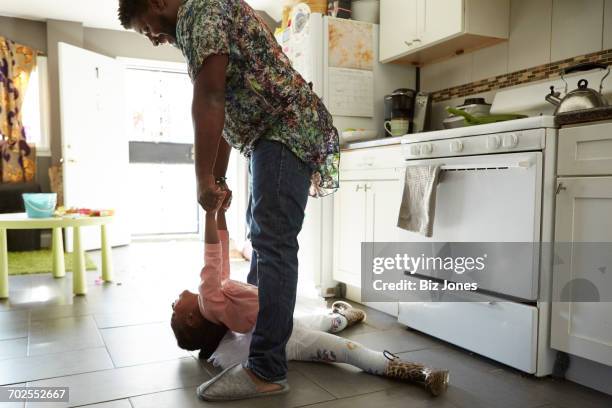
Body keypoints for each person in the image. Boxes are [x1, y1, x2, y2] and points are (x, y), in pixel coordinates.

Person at [118, 0, 340, 400]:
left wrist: (203, 179)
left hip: (283, 128)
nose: (152, 39)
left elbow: (210, 100)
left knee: (272, 243)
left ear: (157, 3)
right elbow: (222, 110)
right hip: (271, 133)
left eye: (146, 28)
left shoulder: (201, 14)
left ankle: (267, 368)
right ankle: (263, 339)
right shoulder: (201, 24)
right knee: (264, 241)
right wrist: (215, 177)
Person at [171, 201, 450, 401]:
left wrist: (220, 212)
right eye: (175, 309)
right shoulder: (209, 299)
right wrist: (209, 212)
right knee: (348, 351)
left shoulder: (216, 296)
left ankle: (343, 318)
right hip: (289, 339)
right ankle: (418, 372)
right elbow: (211, 255)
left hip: (282, 320)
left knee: (319, 321)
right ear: (193, 318)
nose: (174, 303)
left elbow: (220, 249)